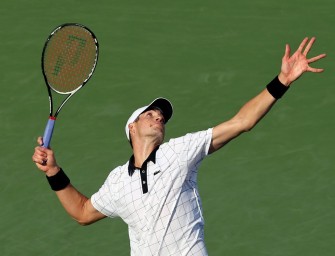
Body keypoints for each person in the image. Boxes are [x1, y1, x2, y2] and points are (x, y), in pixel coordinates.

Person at [32, 37, 326, 256]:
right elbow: (83, 212)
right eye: (150, 113)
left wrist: (282, 81)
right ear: (131, 128)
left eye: (161, 116)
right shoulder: (118, 182)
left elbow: (241, 122)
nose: (158, 116)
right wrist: (53, 171)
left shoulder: (180, 152)